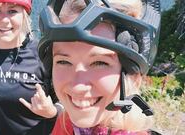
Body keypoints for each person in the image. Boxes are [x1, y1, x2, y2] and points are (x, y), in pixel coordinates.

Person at [38, 0, 161, 134]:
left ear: (133, 75)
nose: (77, 87)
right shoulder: (66, 123)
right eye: (63, 62)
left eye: (100, 63)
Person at [0, 0, 62, 135]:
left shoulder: (43, 54)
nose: (4, 20)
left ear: (24, 15)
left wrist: (52, 112)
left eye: (12, 11)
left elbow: (67, 101)